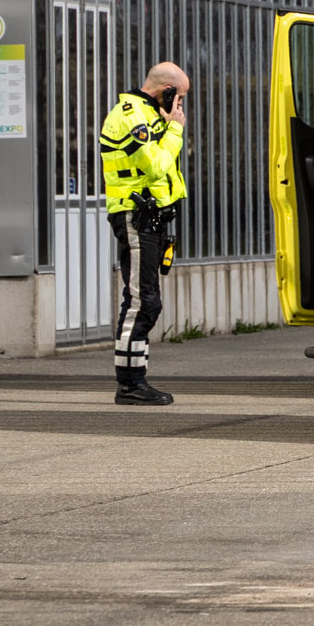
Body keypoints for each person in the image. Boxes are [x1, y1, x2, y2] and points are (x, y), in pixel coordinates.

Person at [98, 62, 190, 406]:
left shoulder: (152, 115)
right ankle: (130, 384)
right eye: (179, 98)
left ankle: (136, 379)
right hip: (135, 216)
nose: (180, 106)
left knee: (147, 300)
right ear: (167, 91)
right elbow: (154, 165)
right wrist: (175, 129)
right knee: (142, 301)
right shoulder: (131, 115)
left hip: (151, 218)